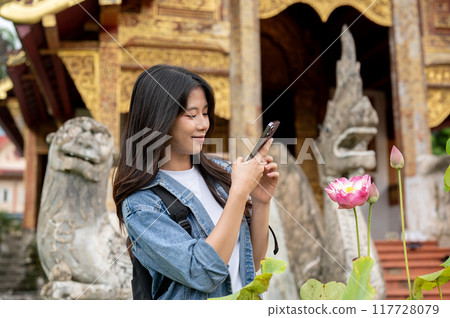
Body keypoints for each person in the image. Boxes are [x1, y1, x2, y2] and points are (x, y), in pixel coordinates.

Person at [113, 64, 279, 300]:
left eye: (205, 112)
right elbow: (203, 272)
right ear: (160, 119)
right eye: (191, 115)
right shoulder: (142, 204)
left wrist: (261, 202)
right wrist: (239, 194)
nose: (203, 124)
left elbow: (250, 262)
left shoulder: (222, 173)